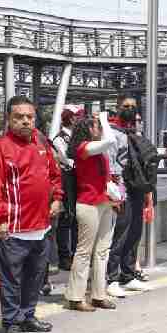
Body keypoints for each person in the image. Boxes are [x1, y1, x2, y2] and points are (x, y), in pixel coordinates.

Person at [0, 96, 63, 333]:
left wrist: (57, 198)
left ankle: (28, 316)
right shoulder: (1, 148)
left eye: (29, 117)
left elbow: (54, 175)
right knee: (11, 280)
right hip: (13, 229)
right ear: (9, 119)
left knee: (35, 277)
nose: (25, 121)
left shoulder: (41, 143)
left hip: (41, 227)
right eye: (19, 117)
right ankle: (11, 322)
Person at [64, 111, 119, 312]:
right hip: (89, 204)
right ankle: (75, 297)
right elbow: (110, 141)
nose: (101, 128)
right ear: (87, 129)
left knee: (102, 251)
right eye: (96, 125)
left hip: (104, 202)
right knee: (84, 251)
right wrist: (104, 118)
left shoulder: (94, 149)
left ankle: (98, 294)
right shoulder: (83, 148)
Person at [105, 96, 153, 296]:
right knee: (120, 234)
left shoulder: (135, 131)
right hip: (121, 188)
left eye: (133, 107)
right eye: (126, 106)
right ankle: (112, 278)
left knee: (134, 233)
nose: (130, 109)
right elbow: (109, 162)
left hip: (137, 187)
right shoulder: (111, 132)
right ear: (117, 108)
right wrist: (114, 192)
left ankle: (128, 274)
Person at [50, 107, 81, 271]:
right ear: (70, 118)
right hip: (66, 179)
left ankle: (76, 254)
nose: (78, 120)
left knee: (77, 218)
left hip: (77, 179)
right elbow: (65, 159)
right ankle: (64, 257)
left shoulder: (77, 136)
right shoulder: (59, 139)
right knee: (66, 218)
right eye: (76, 116)